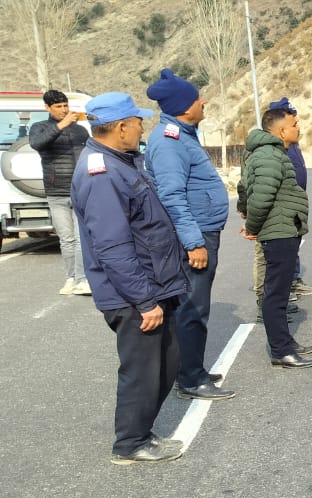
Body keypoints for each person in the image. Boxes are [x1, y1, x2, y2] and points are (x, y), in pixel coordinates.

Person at [72, 93, 188, 464]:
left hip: (151, 285)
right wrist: (144, 300)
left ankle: (141, 433)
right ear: (121, 127)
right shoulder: (102, 173)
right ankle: (130, 443)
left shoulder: (121, 161)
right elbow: (112, 247)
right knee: (142, 371)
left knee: (164, 365)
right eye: (137, 121)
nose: (142, 126)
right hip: (135, 294)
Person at [145, 68, 235, 401]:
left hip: (202, 229)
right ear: (186, 106)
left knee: (196, 305)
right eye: (199, 99)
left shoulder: (183, 133)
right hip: (195, 234)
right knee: (192, 308)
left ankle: (192, 367)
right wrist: (194, 241)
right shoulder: (170, 141)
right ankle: (191, 378)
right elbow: (171, 195)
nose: (203, 102)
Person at [241, 108, 312, 369]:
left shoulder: (274, 153)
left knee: (281, 293)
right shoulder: (268, 155)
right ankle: (280, 351)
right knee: (275, 295)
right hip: (278, 231)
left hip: (284, 228)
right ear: (281, 130)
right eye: (295, 124)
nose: (299, 128)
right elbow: (260, 197)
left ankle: (285, 343)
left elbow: (246, 189)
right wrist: (252, 226)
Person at [29, 90, 90, 296]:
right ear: (47, 108)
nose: (64, 110)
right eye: (58, 107)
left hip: (80, 189)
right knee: (66, 239)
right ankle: (71, 278)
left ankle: (83, 279)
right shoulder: (39, 128)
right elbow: (37, 144)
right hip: (56, 192)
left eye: (65, 105)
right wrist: (61, 126)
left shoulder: (80, 131)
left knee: (81, 237)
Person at [270, 98, 312, 299]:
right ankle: (283, 286)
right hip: (285, 206)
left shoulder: (292, 143)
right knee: (283, 247)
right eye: (292, 118)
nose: (296, 122)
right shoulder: (276, 146)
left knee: (293, 243)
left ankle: (292, 280)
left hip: (295, 203)